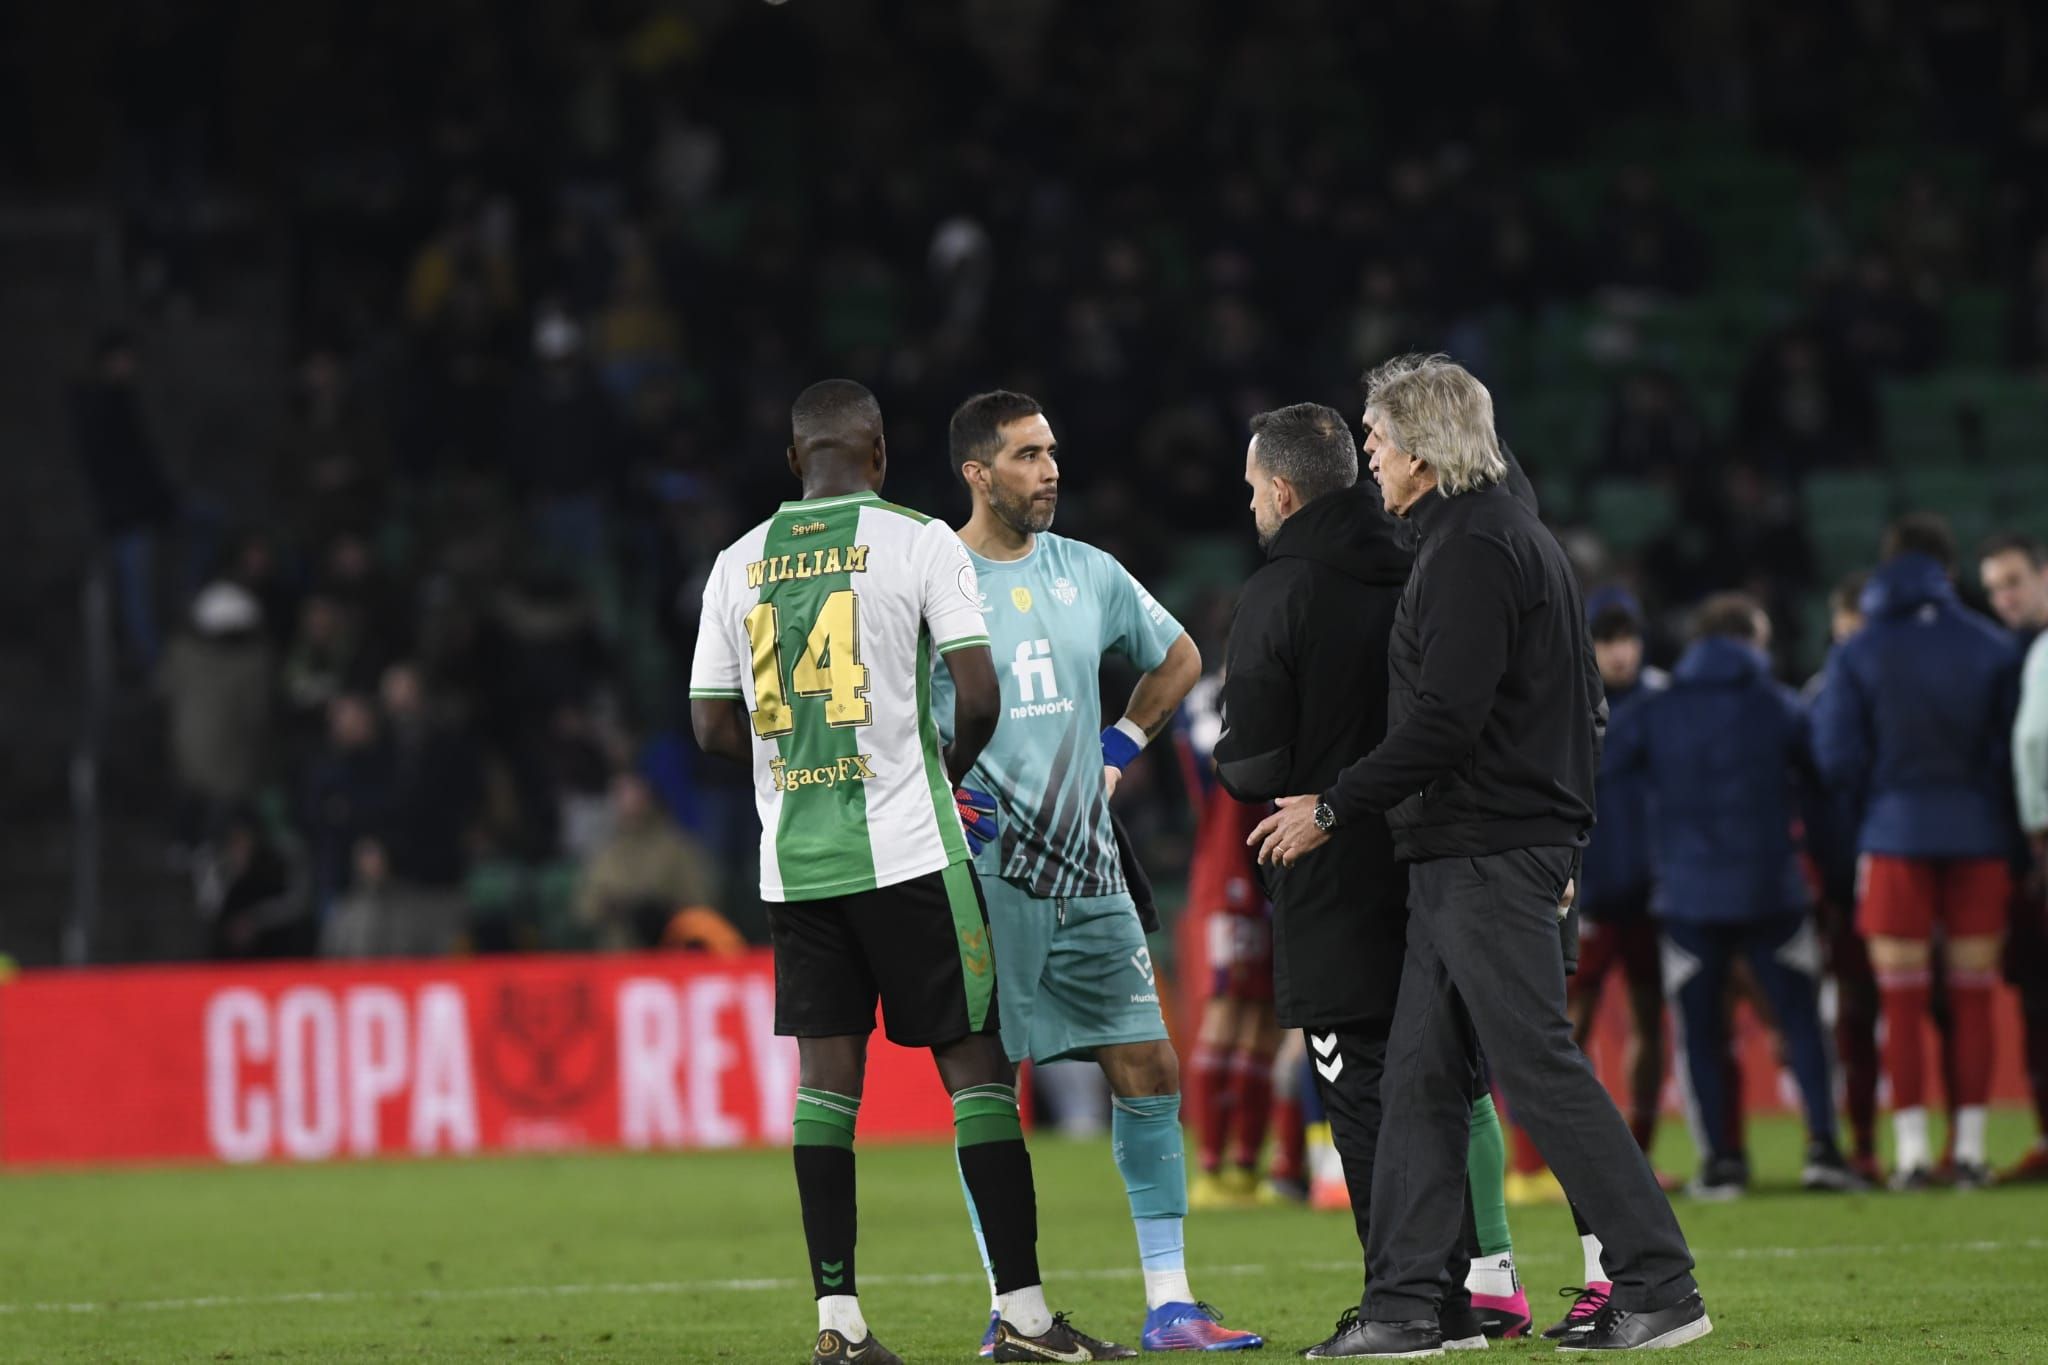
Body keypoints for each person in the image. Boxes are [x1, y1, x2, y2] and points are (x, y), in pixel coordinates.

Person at [1249, 355, 1708, 1356]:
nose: (1366, 460)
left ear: (1417, 447)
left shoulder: (1470, 549)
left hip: (1486, 852)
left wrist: (1332, 806)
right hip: (1473, 849)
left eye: (1374, 441)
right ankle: (1412, 1306)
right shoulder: (1494, 536)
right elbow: (1573, 703)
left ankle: (1657, 1281)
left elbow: (1446, 722)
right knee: (1416, 1077)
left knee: (1534, 1067)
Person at [689, 379, 1130, 1365]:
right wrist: (938, 768)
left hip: (795, 862)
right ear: (877, 454)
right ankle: (1022, 1320)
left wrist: (794, 765)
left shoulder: (736, 563)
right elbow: (976, 694)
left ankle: (837, 1324)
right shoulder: (920, 539)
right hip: (907, 848)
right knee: (973, 1069)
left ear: (793, 460)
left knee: (825, 1087)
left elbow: (711, 725)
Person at [933, 390, 1260, 1354]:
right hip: (986, 877)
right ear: (977, 473)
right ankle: (1013, 1305)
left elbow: (1180, 658)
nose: (1050, 470)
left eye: (1053, 452)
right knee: (988, 1082)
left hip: (1089, 868)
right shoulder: (934, 579)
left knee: (1148, 1063)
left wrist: (1120, 745)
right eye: (1028, 455)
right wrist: (940, 790)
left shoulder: (1090, 571)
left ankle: (1171, 1302)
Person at [1212, 402, 1529, 1349]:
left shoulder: (1281, 591)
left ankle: (1406, 1304)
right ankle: (1469, 1292)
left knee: (1359, 1094)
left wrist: (1251, 768)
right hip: (1435, 855)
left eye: (1251, 490)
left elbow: (1256, 762)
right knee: (1437, 1080)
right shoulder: (1427, 559)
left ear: (1279, 488)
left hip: (1328, 864)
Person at [1609, 593, 1864, 1197]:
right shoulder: (1778, 705)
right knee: (1802, 1022)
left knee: (1700, 1032)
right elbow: (1823, 789)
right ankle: (1824, 1150)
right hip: (1773, 891)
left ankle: (1723, 1162)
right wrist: (1834, 876)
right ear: (1753, 637)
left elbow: (1605, 780)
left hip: (1689, 899)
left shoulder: (1657, 709)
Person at [1814, 514, 2022, 1190]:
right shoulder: (1993, 646)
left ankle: (1907, 1155)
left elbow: (1836, 756)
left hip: (1893, 833)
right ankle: (1966, 1150)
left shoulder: (1860, 649)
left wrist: (1874, 813)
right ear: (1950, 569)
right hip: (1979, 837)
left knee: (1899, 1000)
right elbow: (2008, 755)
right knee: (1972, 997)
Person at [1180, 673, 1283, 1211]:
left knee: (1259, 1028)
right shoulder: (1215, 705)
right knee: (1225, 1018)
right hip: (1230, 886)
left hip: (1264, 885)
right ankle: (1209, 1166)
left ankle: (1245, 1166)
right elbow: (1210, 755)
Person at [1574, 588, 1670, 1164]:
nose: (1619, 653)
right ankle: (1554, 1158)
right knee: (1567, 1027)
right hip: (1589, 890)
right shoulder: (1569, 705)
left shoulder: (1664, 706)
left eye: (1626, 638)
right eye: (1607, 640)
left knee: (1648, 1020)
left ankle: (1641, 1153)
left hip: (1651, 894)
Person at [1802, 572, 1883, 1184]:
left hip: (1888, 861)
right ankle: (1861, 1142)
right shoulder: (1816, 698)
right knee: (1854, 1013)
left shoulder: (1894, 691)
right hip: (1843, 881)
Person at [1978, 532, 2048, 1183]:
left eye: (2015, 582)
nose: (2005, 598)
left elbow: (2028, 746)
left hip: (2036, 842)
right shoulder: (2007, 656)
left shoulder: (2028, 657)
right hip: (2023, 851)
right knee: (2033, 996)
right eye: (1995, 587)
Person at [573, 771, 720, 951]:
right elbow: (585, 910)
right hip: (617, 955)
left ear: (649, 798)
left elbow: (701, 902)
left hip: (669, 950)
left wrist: (664, 910)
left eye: (634, 793)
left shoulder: (676, 848)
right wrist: (615, 907)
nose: (628, 802)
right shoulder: (606, 853)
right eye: (620, 795)